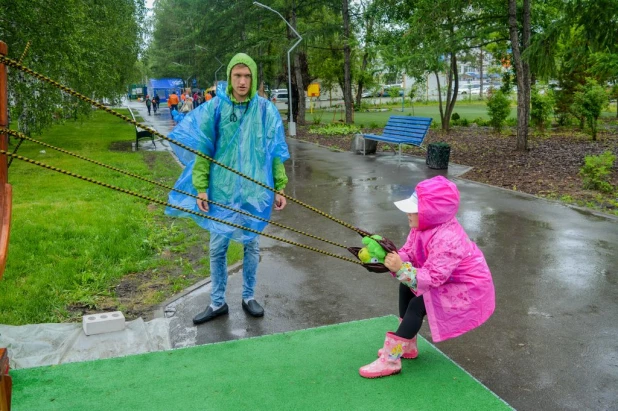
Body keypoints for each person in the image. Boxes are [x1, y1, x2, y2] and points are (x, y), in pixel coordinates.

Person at [165, 53, 289, 325]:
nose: (242, 81)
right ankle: (217, 302)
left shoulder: (266, 110)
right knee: (218, 246)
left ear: (254, 77)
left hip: (253, 193)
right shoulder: (216, 108)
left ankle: (248, 297)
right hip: (221, 192)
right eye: (237, 76)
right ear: (230, 78)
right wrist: (200, 187)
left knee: (251, 245)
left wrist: (279, 187)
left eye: (247, 76)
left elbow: (275, 152)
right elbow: (203, 149)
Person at [359, 175, 495, 379]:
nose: (408, 213)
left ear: (432, 212)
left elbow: (432, 278)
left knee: (418, 305)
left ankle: (391, 359)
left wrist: (399, 269)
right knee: (405, 286)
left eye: (414, 209)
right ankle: (408, 345)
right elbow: (410, 253)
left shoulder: (447, 238)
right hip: (447, 278)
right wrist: (387, 257)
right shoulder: (422, 227)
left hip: (466, 287)